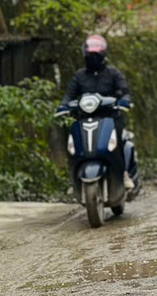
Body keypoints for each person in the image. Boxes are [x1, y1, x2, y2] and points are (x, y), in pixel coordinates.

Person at [58, 34, 138, 189]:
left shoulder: (113, 74)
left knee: (119, 137)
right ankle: (73, 177)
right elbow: (69, 94)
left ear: (103, 54)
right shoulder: (79, 76)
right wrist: (63, 106)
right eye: (90, 54)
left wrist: (123, 101)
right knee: (71, 140)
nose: (93, 57)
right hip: (83, 118)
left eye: (96, 54)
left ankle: (123, 173)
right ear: (85, 54)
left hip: (110, 118)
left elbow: (124, 91)